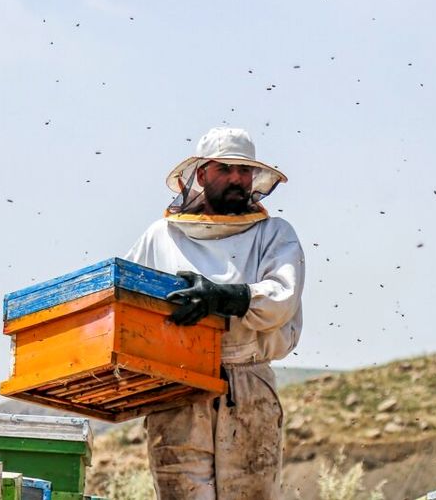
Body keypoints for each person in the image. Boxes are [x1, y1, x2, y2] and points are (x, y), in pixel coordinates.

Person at [124, 126, 305, 500]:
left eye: (244, 171)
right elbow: (126, 301)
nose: (237, 179)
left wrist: (225, 297)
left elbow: (281, 298)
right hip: (177, 386)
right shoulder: (161, 236)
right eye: (225, 169)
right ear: (202, 174)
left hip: (248, 382)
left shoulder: (274, 234)